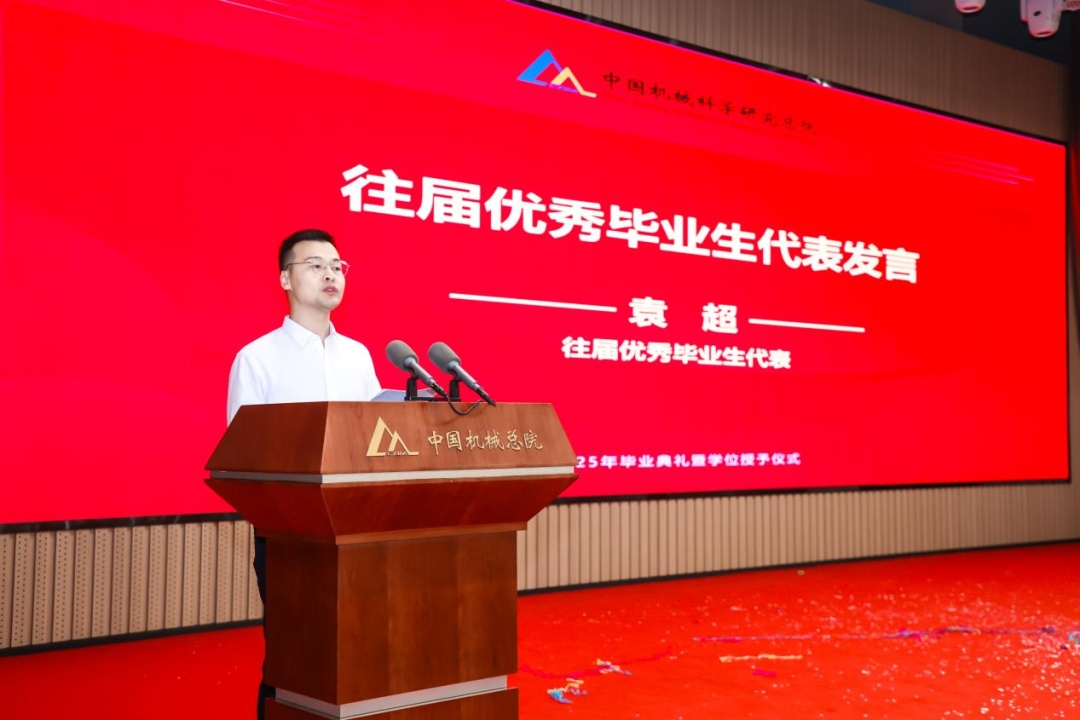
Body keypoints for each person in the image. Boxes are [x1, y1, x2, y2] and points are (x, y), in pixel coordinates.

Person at [226, 228, 382, 719]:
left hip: (360, 531)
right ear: (285, 279)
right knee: (293, 661)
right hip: (289, 538)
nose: (330, 274)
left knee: (361, 652)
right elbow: (243, 460)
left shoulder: (359, 356)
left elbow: (380, 442)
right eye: (315, 265)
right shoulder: (257, 359)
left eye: (337, 266)